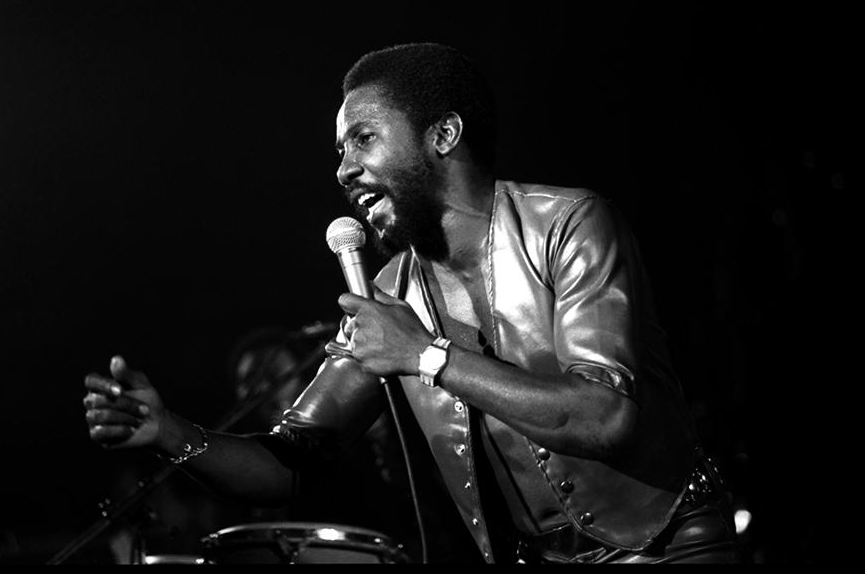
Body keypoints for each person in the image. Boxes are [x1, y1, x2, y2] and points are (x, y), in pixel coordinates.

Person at [84, 42, 741, 564]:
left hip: (667, 543)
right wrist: (170, 431)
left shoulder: (568, 224)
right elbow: (289, 463)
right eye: (339, 151)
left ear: (444, 133)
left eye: (363, 139)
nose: (343, 170)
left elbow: (606, 415)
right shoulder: (392, 294)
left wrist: (425, 354)